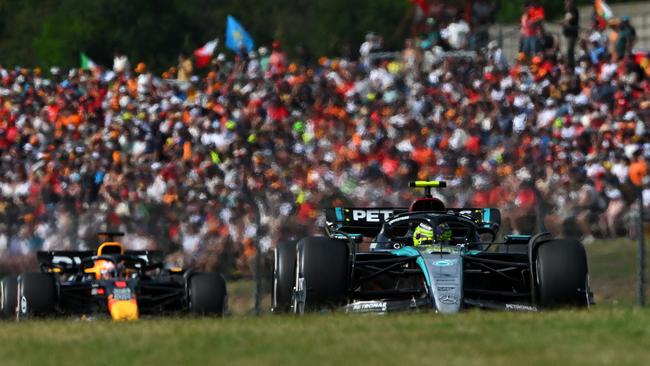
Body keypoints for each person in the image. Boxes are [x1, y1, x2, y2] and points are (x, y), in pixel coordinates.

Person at [562, 0, 579, 69]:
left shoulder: (574, 11)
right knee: (567, 51)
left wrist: (564, 22)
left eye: (567, 2)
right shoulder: (567, 11)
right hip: (567, 34)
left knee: (570, 50)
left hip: (572, 34)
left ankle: (571, 65)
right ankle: (568, 64)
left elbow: (569, 19)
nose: (566, 4)